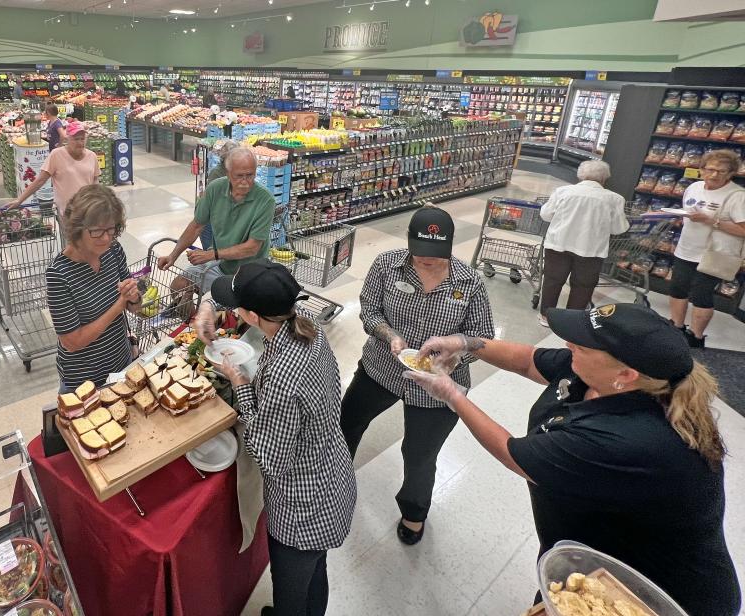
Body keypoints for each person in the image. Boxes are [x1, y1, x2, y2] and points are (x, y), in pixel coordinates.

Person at [410, 303, 741, 616]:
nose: (570, 344)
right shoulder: (601, 372)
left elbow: (512, 454)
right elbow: (528, 360)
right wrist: (466, 343)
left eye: (582, 346)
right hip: (591, 551)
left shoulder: (631, 441)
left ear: (626, 374)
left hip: (648, 592)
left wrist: (452, 394)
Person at [203, 260, 356, 616]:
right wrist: (209, 307)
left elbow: (271, 459)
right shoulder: (302, 318)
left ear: (252, 316)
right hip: (332, 470)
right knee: (317, 570)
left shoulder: (286, 380)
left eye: (237, 306)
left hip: (304, 506)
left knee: (290, 590)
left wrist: (240, 384)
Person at [339, 206, 494, 546]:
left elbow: (484, 336)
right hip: (381, 367)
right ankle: (334, 477)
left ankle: (414, 512)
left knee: (420, 454)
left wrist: (457, 355)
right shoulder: (386, 264)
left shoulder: (469, 283)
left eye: (436, 257)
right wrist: (389, 335)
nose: (426, 261)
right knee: (348, 422)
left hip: (438, 385)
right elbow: (370, 309)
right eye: (420, 254)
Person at [46, 184, 141, 391]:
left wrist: (133, 296)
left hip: (121, 365)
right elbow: (73, 342)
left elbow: (134, 307)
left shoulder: (113, 250)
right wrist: (118, 305)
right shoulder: (59, 274)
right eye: (97, 231)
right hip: (83, 382)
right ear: (78, 229)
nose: (106, 238)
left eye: (111, 229)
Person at [157, 147, 273, 301]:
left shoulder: (265, 200)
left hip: (248, 271)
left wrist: (212, 254)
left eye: (250, 175)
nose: (245, 182)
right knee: (178, 287)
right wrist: (173, 255)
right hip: (218, 262)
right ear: (228, 173)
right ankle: (192, 321)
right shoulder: (215, 189)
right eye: (239, 176)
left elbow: (252, 248)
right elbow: (197, 225)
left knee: (221, 308)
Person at [538, 159, 629, 327]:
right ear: (604, 179)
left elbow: (546, 215)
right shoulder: (614, 199)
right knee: (583, 285)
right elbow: (619, 228)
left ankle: (546, 316)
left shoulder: (562, 191)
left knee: (553, 280)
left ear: (581, 175)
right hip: (591, 250)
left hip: (558, 244)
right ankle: (573, 320)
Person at [668, 148, 745, 347]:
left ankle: (696, 337)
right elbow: (690, 211)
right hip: (686, 248)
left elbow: (743, 229)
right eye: (710, 169)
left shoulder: (737, 196)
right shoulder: (693, 187)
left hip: (713, 255)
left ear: (731, 173)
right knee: (678, 288)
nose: (714, 174)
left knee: (700, 295)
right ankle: (676, 328)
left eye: (721, 171)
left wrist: (712, 221)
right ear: (701, 169)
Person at [8, 121, 99, 215]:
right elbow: (40, 180)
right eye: (76, 139)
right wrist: (19, 200)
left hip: (87, 210)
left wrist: (97, 201)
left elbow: (95, 181)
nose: (80, 142)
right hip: (66, 212)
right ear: (68, 138)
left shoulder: (92, 156)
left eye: (82, 139)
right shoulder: (56, 155)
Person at [198, 139, 241, 249]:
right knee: (211, 253)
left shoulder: (237, 173)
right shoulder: (217, 173)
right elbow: (213, 201)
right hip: (211, 221)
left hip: (225, 221)